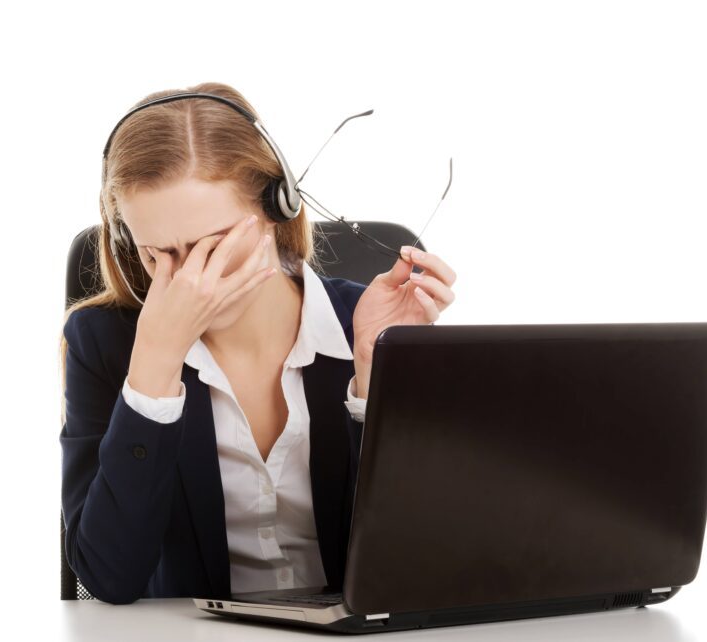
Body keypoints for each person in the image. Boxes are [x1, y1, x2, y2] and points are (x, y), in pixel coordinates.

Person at [58, 82, 457, 604]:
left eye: (213, 247)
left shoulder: (367, 324)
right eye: (159, 255)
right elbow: (108, 577)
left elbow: (425, 560)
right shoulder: (106, 343)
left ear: (278, 208)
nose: (190, 281)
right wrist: (155, 368)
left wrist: (372, 381)